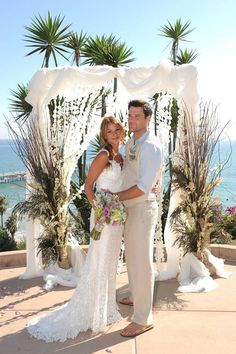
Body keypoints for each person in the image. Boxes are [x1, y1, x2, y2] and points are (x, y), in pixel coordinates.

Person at [27, 116, 126, 342]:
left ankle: (106, 308)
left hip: (117, 218)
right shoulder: (103, 156)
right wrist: (99, 210)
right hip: (103, 217)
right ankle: (93, 312)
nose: (114, 134)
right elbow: (88, 186)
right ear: (104, 135)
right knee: (99, 261)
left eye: (117, 129)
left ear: (122, 131)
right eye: (109, 131)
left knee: (110, 262)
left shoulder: (120, 156)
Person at [116, 99, 163, 337]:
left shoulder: (151, 146)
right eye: (130, 115)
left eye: (137, 116)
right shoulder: (131, 142)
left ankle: (143, 318)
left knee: (142, 262)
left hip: (142, 209)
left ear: (148, 119)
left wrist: (115, 197)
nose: (132, 120)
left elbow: (144, 187)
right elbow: (128, 170)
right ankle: (136, 295)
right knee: (132, 258)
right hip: (129, 208)